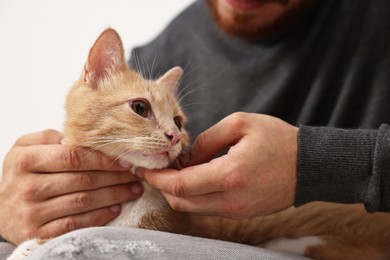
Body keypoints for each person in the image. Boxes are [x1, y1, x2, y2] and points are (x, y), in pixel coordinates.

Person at [1, 0, 390, 258]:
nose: (172, 134)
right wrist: (8, 214)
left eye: (177, 124)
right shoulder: (162, 52)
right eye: (142, 109)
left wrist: (315, 162)